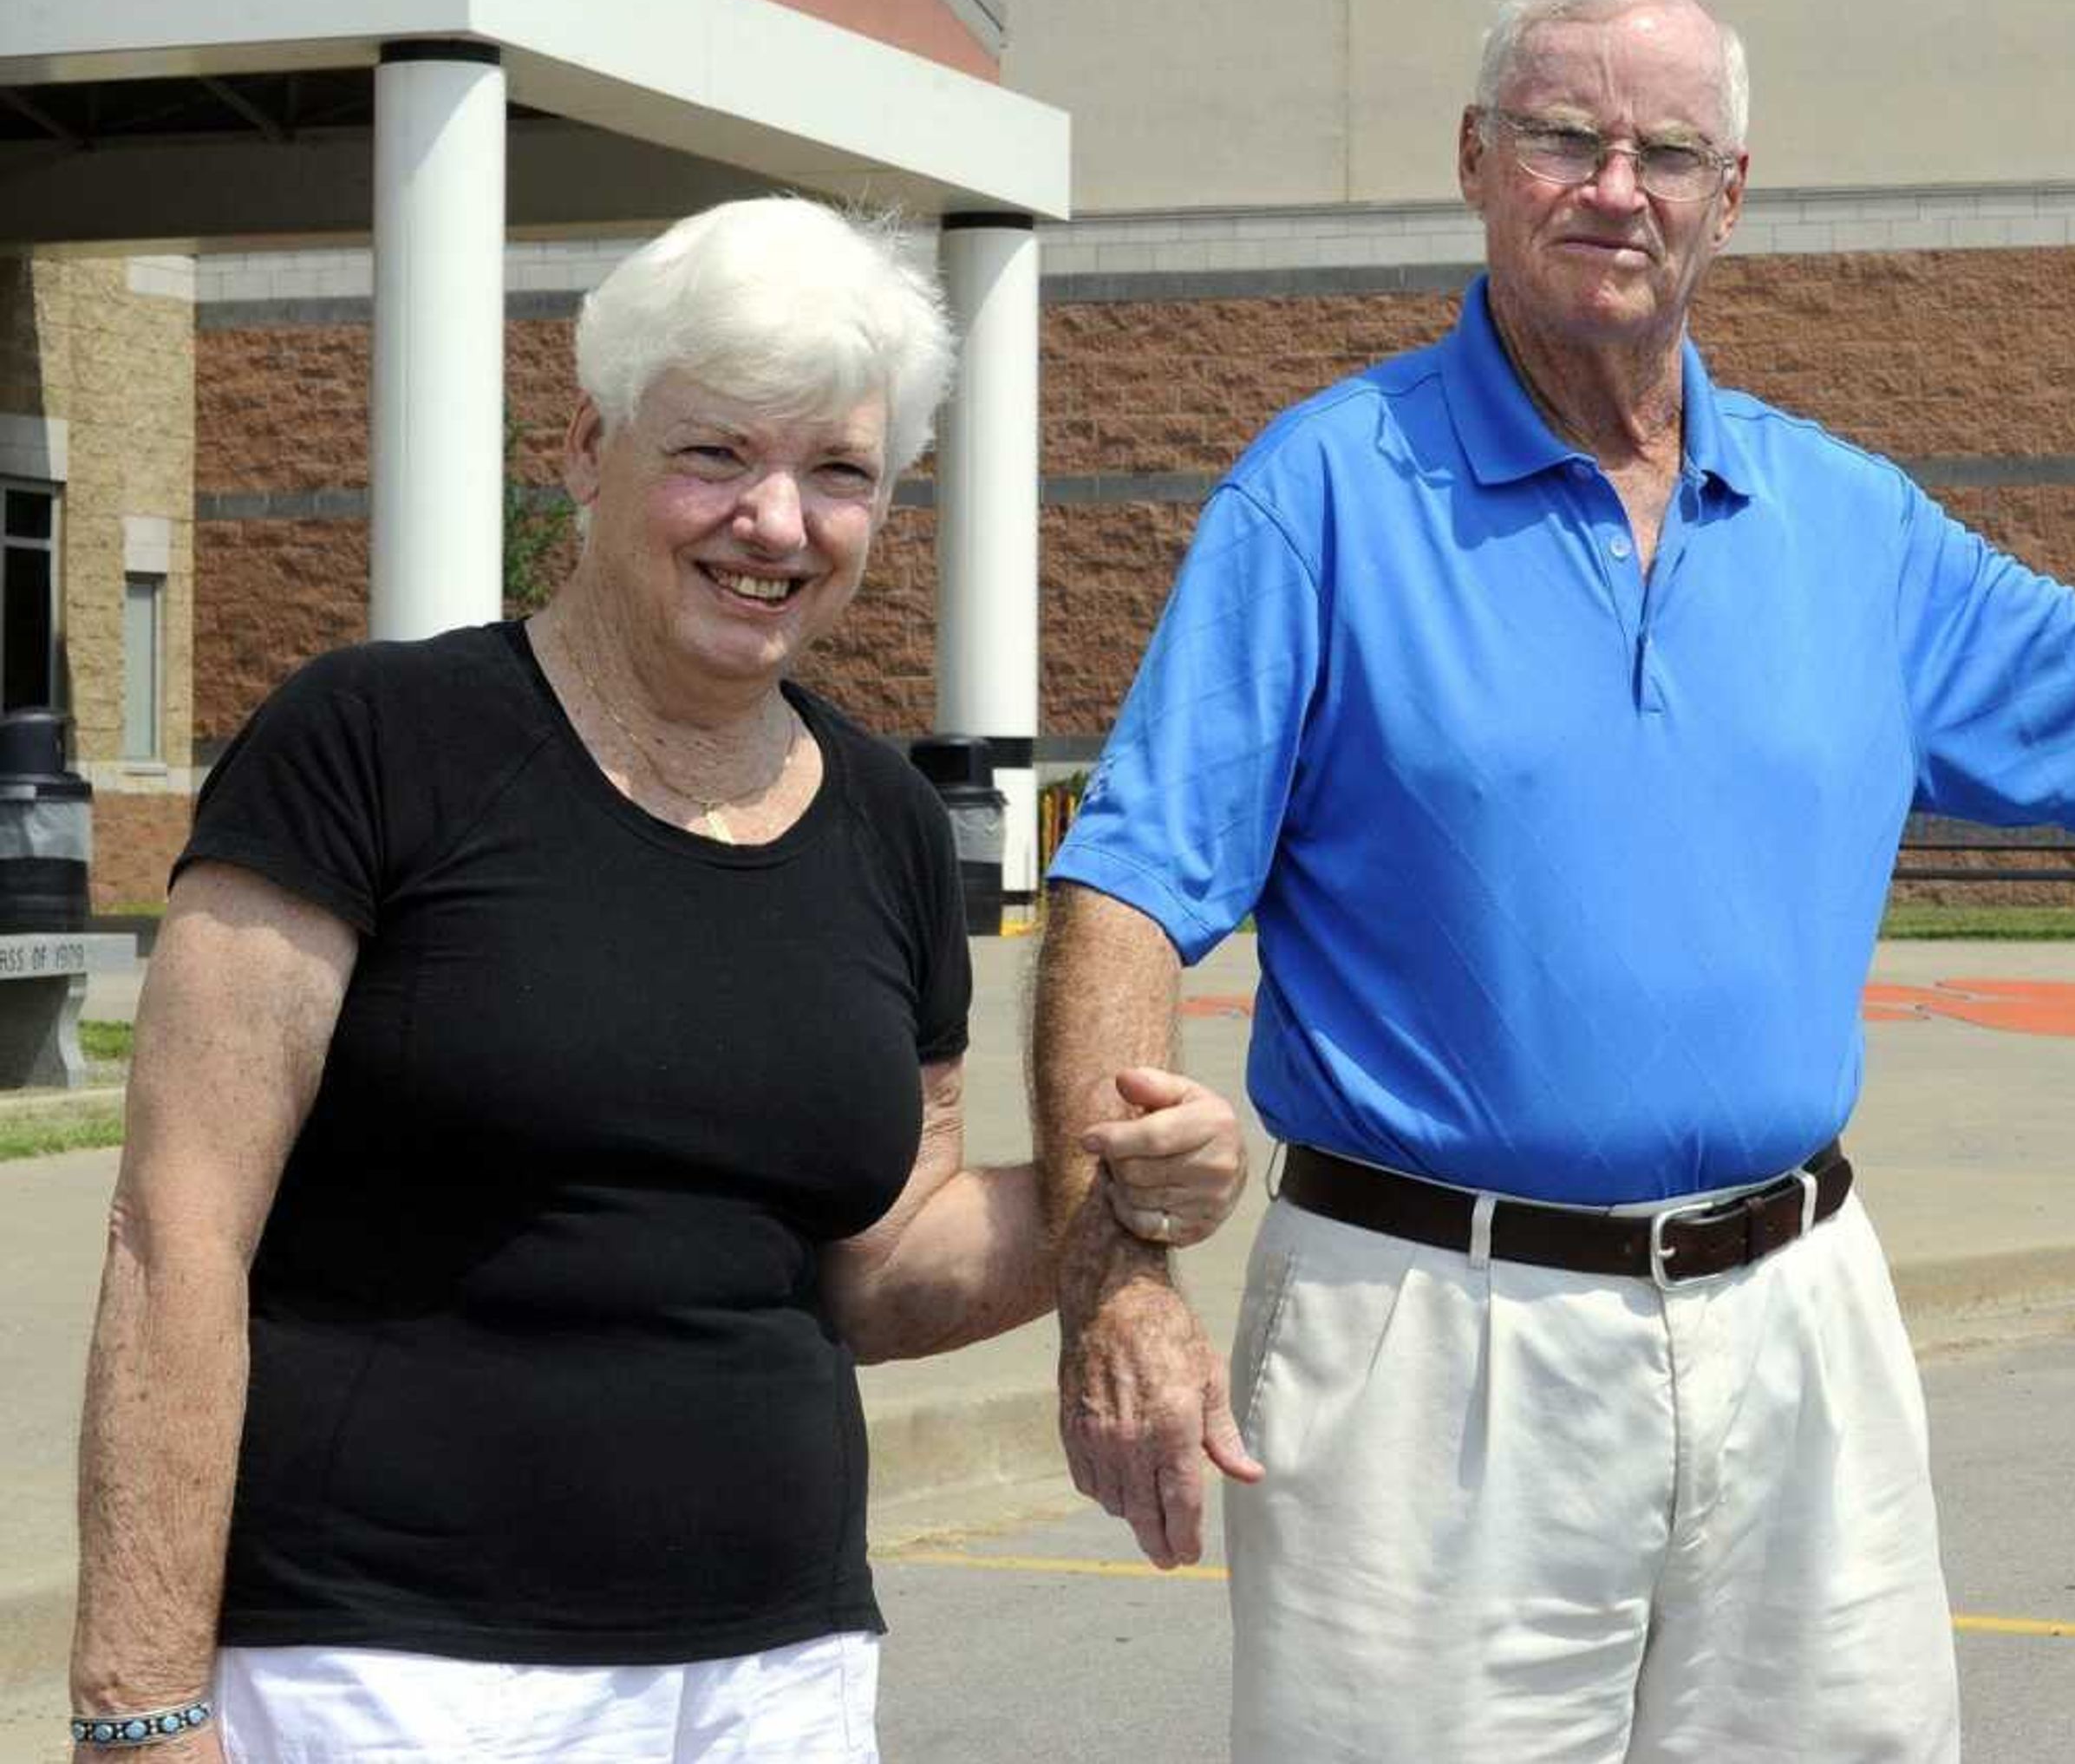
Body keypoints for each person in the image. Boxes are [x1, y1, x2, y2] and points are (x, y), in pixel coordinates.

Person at [1034, 0, 2075, 1762]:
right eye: (1565, 138)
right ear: (1474, 159)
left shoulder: (1843, 519)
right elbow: (1127, 887)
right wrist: (1112, 1275)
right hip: (1436, 1335)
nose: (1616, 187)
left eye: (1667, 150)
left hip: (1793, 1324)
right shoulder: (1325, 493)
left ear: (1729, 199)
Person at [66, 198, 1240, 1764]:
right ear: (586, 448)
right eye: (716, 456)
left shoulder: (886, 822)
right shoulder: (372, 747)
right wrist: (139, 1700)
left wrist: (1135, 1196)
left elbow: (879, 1267)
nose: (775, 522)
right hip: (394, 1674)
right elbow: (175, 1234)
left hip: (777, 1672)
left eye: (838, 473)